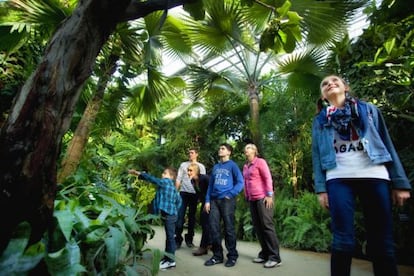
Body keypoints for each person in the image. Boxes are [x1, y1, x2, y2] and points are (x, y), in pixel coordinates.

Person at [311, 75, 411, 276]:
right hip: (338, 177)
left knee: (381, 239)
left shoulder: (368, 110)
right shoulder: (320, 120)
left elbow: (386, 142)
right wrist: (321, 188)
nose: (330, 84)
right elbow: (316, 154)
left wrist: (400, 182)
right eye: (325, 84)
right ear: (323, 94)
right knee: (342, 240)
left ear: (345, 87)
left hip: (374, 174)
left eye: (335, 81)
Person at [128, 167, 182, 270]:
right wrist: (175, 210)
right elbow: (179, 201)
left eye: (165, 173)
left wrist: (139, 173)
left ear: (171, 177)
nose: (162, 175)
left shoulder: (166, 182)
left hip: (170, 215)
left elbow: (153, 179)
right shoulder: (173, 188)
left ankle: (171, 261)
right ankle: (167, 257)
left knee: (170, 238)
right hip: (171, 214)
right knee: (169, 237)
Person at [204, 143, 244, 268]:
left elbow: (240, 182)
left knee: (229, 228)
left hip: (227, 200)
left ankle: (232, 256)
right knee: (214, 228)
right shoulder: (215, 167)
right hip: (214, 201)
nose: (220, 150)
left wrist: (231, 194)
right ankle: (217, 256)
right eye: (219, 148)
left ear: (229, 152)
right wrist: (207, 201)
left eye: (223, 148)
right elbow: (210, 185)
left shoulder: (232, 165)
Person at [242, 143, 282, 268]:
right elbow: (245, 182)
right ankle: (265, 253)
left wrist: (269, 195)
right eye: (245, 149)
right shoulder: (245, 166)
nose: (246, 150)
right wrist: (247, 196)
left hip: (263, 198)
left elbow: (267, 178)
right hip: (252, 200)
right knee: (258, 227)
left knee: (266, 225)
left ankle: (275, 257)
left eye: (249, 148)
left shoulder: (260, 162)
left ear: (255, 151)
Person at [175, 148, 206, 248]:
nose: (190, 154)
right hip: (183, 193)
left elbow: (203, 181)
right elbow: (179, 178)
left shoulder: (201, 167)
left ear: (197, 154)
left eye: (192, 153)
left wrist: (202, 196)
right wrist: (175, 191)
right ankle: (177, 239)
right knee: (180, 216)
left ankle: (189, 239)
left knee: (192, 217)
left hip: (194, 194)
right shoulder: (183, 165)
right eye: (189, 153)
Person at [186, 162, 212, 256]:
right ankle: (210, 243)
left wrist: (208, 202)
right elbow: (199, 193)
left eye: (190, 170)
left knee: (206, 223)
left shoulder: (205, 178)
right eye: (188, 170)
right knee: (204, 222)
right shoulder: (192, 181)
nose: (188, 172)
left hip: (211, 201)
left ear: (196, 171)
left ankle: (203, 247)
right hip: (204, 202)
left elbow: (211, 189)